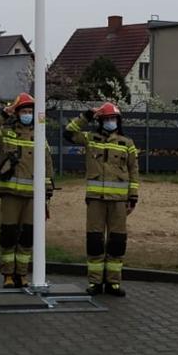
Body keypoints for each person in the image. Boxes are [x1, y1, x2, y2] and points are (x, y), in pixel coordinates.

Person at [0, 93, 55, 288]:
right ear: (18, 113)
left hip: (32, 197)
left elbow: (47, 165)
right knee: (8, 236)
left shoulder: (40, 136)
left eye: (30, 111)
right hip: (10, 195)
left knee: (27, 237)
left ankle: (22, 274)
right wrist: (4, 113)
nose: (27, 115)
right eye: (24, 111)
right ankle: (7, 275)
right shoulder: (5, 132)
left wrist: (47, 194)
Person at [64, 101, 140, 296]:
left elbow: (134, 171)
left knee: (117, 241)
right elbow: (68, 132)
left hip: (119, 201)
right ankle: (95, 282)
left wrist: (133, 198)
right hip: (96, 199)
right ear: (100, 121)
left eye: (113, 119)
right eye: (106, 119)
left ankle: (113, 282)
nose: (110, 122)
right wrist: (88, 114)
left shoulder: (127, 143)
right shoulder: (90, 139)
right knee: (95, 240)